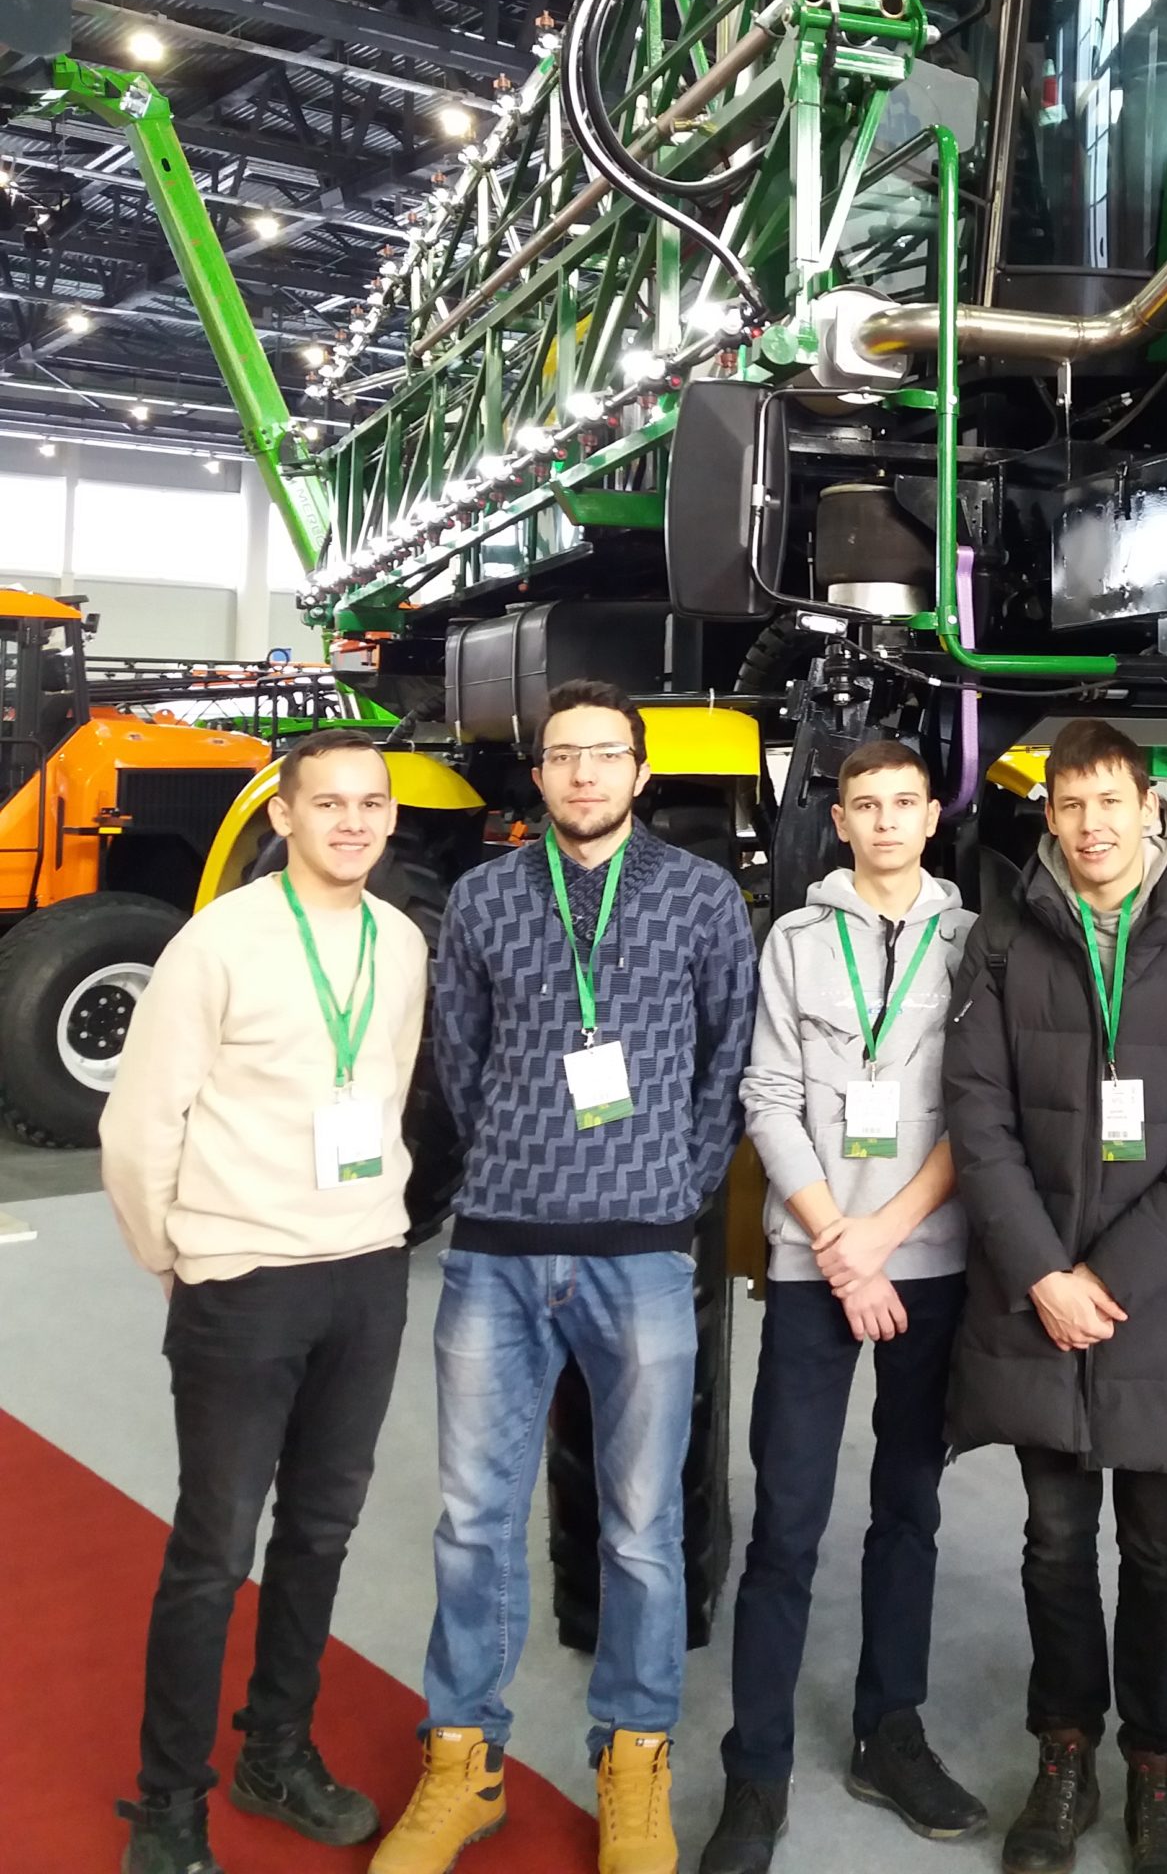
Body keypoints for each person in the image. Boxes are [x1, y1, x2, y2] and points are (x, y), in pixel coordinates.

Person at [373, 679, 756, 1874]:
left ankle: (634, 1757)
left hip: (640, 1255)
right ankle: (464, 1761)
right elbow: (461, 1058)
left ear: (641, 772)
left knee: (643, 1529)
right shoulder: (485, 899)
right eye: (561, 755)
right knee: (472, 1520)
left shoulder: (701, 897)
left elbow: (727, 1059)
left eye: (605, 754)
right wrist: (521, 1157)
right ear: (536, 774)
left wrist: (671, 1187)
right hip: (498, 1250)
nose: (583, 773)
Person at [944, 718, 1167, 1874]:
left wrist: (1107, 1278)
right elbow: (976, 1114)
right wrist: (1044, 1272)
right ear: (1050, 816)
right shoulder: (1001, 942)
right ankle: (1066, 1751)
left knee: (1160, 1545)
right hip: (1037, 1297)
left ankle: (1157, 1768)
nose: (1092, 825)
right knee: (1052, 1539)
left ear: (1150, 809)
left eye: (1110, 802)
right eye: (1071, 804)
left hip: (1159, 1303)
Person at [101, 730, 431, 1874]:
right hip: (241, 1278)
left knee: (322, 1533)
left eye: (371, 803)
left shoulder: (399, 941)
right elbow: (140, 1124)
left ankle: (275, 1751)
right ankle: (167, 1806)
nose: (353, 821)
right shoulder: (218, 942)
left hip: (366, 1269)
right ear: (283, 816)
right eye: (327, 802)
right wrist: (181, 1254)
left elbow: (385, 1090)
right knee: (215, 1547)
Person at [699, 738, 985, 1874]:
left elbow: (981, 1109)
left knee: (908, 1507)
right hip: (816, 1265)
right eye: (865, 804)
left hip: (927, 1259)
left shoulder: (973, 944)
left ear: (932, 816)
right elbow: (768, 1096)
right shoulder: (794, 942)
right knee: (786, 1519)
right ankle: (756, 1769)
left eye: (905, 802)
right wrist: (837, 1241)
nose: (885, 821)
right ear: (842, 819)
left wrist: (884, 1238)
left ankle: (889, 1733)